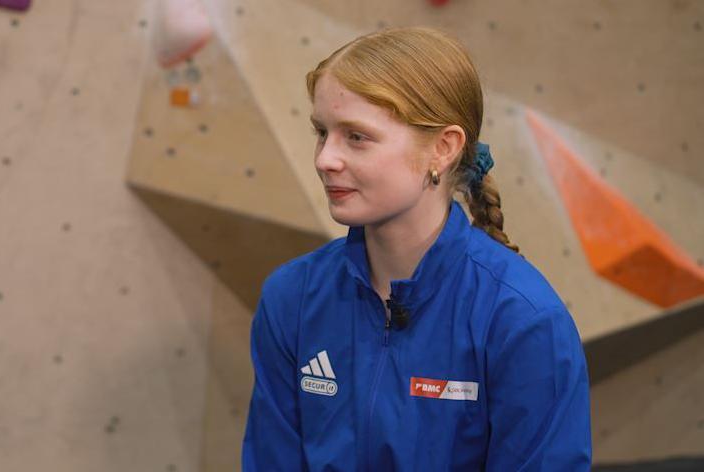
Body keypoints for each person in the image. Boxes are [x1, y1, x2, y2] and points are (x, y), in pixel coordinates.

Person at [241, 26, 591, 471]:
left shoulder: (522, 320)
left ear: (443, 149)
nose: (325, 158)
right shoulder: (291, 298)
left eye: (357, 137)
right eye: (322, 132)